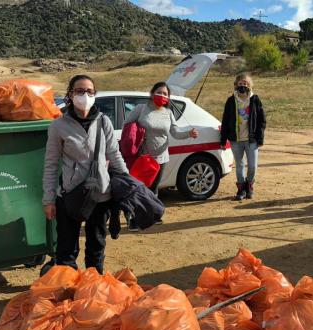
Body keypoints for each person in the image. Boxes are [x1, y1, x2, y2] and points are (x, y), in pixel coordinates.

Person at [42, 74, 128, 275]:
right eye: (79, 91)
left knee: (96, 247)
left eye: (89, 91)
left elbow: (114, 155)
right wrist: (48, 200)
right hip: (69, 195)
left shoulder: (104, 121)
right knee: (66, 249)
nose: (85, 95)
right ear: (70, 95)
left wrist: (127, 183)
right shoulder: (58, 126)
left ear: (95, 94)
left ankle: (93, 287)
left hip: (100, 195)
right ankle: (67, 290)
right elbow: (51, 164)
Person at [124, 81, 199, 229]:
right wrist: (136, 137)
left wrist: (189, 133)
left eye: (165, 94)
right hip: (143, 157)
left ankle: (153, 215)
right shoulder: (141, 109)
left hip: (161, 158)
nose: (162, 96)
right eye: (159, 92)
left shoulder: (169, 113)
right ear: (152, 94)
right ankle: (134, 218)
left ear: (168, 98)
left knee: (154, 189)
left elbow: (175, 133)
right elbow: (127, 127)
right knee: (139, 189)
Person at [220, 73, 266, 200]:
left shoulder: (255, 100)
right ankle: (241, 189)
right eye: (240, 84)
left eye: (245, 84)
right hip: (236, 140)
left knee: (252, 166)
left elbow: (262, 120)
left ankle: (249, 184)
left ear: (249, 86)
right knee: (240, 165)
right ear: (236, 86)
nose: (243, 86)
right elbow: (225, 120)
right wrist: (223, 139)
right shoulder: (231, 101)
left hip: (252, 140)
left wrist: (260, 138)